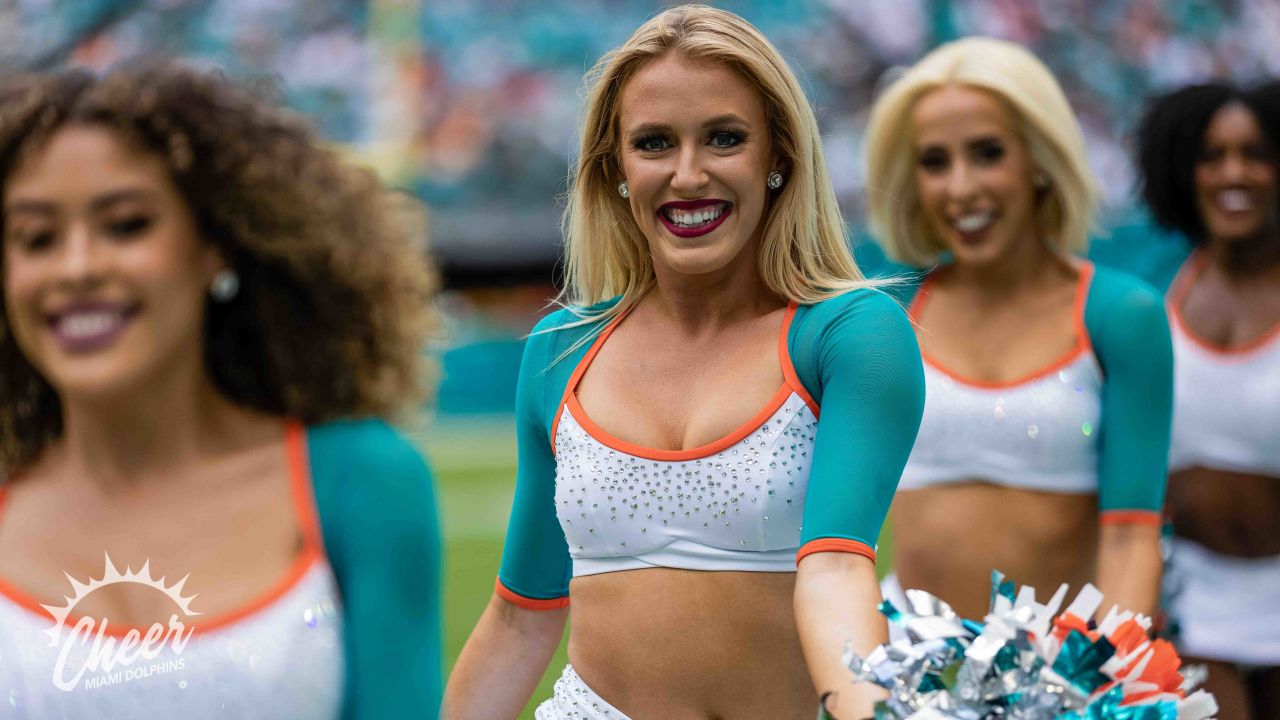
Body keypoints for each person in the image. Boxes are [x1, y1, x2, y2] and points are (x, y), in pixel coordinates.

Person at [443, 6, 924, 719]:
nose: (688, 174)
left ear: (779, 156)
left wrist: (871, 713)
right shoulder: (560, 347)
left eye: (725, 139)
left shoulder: (849, 334)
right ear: (616, 169)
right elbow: (522, 614)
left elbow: (836, 569)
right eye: (654, 143)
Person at [0, 64, 442, 718]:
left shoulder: (362, 482)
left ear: (217, 246)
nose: (78, 267)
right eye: (36, 238)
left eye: (126, 225)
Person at [862, 37, 1172, 622]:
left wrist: (1103, 679)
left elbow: (1133, 533)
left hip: (1063, 677)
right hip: (908, 676)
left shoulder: (1120, 314)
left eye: (987, 153)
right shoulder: (888, 312)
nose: (961, 188)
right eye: (934, 162)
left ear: (1039, 159)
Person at [1135, 81, 1280, 720]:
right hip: (1191, 607)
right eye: (1212, 155)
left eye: (1255, 153)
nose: (1233, 173)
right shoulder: (1152, 288)